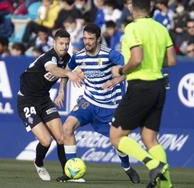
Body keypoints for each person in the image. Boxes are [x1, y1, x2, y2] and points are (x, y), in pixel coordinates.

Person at [104, 1, 176, 188]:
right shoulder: (161, 28)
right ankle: (166, 185)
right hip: (159, 86)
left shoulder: (133, 28)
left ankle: (152, 164)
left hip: (140, 86)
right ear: (150, 8)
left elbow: (136, 59)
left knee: (116, 136)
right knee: (150, 139)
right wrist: (153, 64)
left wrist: (120, 71)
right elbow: (171, 60)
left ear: (132, 8)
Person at [56, 23, 140, 184]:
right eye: (85, 38)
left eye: (90, 39)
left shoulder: (110, 55)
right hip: (88, 102)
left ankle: (127, 167)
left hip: (110, 106)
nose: (87, 42)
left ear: (98, 39)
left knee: (118, 142)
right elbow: (67, 71)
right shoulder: (79, 56)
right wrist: (61, 90)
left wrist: (116, 79)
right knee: (66, 128)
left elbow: (130, 69)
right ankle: (71, 170)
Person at [17, 29, 82, 181]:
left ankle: (68, 174)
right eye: (61, 43)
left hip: (44, 100)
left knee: (61, 138)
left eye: (67, 44)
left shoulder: (67, 58)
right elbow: (53, 69)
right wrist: (69, 74)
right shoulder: (49, 56)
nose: (64, 47)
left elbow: (64, 73)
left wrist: (61, 91)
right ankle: (38, 163)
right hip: (27, 100)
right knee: (46, 141)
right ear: (54, 43)